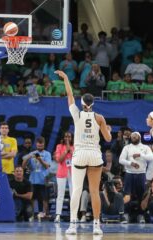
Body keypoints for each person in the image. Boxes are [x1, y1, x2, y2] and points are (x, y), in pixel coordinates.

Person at [54, 70, 112, 235]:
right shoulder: (99, 117)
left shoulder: (77, 114)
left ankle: (72, 225)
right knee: (94, 191)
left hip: (79, 154)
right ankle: (96, 225)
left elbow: (69, 95)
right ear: (93, 103)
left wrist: (66, 78)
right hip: (94, 154)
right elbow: (107, 139)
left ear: (82, 103)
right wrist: (108, 130)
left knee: (77, 190)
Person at [119, 131, 153, 222]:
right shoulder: (127, 147)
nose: (133, 137)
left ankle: (141, 215)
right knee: (127, 195)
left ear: (139, 137)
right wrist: (131, 163)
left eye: (135, 136)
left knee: (141, 196)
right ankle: (125, 214)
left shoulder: (145, 147)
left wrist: (140, 155)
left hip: (141, 174)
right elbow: (121, 160)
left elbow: (152, 157)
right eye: (132, 137)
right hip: (129, 173)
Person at [54, 131, 74, 223]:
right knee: (60, 194)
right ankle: (58, 215)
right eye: (66, 136)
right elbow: (59, 160)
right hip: (62, 172)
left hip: (73, 173)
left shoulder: (75, 147)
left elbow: (76, 159)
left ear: (71, 138)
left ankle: (74, 215)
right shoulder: (59, 146)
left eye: (69, 136)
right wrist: (66, 150)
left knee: (73, 194)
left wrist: (71, 150)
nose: (67, 138)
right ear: (63, 137)